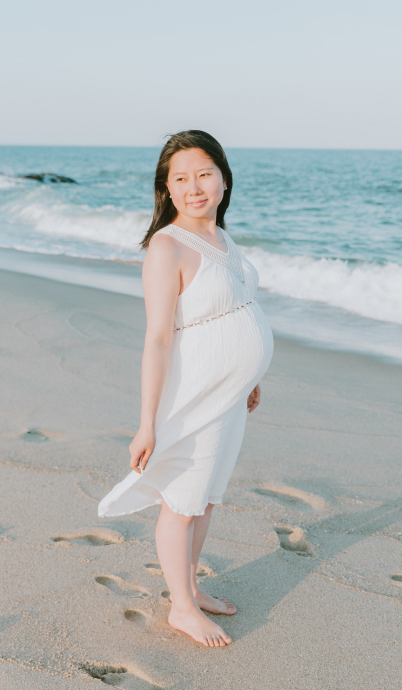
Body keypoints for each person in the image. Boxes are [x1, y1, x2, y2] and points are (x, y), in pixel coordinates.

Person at [96, 130, 273, 648]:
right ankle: (180, 608)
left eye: (203, 174)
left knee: (208, 495)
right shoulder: (167, 246)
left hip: (229, 393)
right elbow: (156, 339)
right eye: (180, 178)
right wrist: (146, 422)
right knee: (183, 498)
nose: (194, 187)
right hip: (194, 395)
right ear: (167, 188)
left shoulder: (223, 236)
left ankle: (190, 589)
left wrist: (251, 376)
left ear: (223, 178)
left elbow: (236, 307)